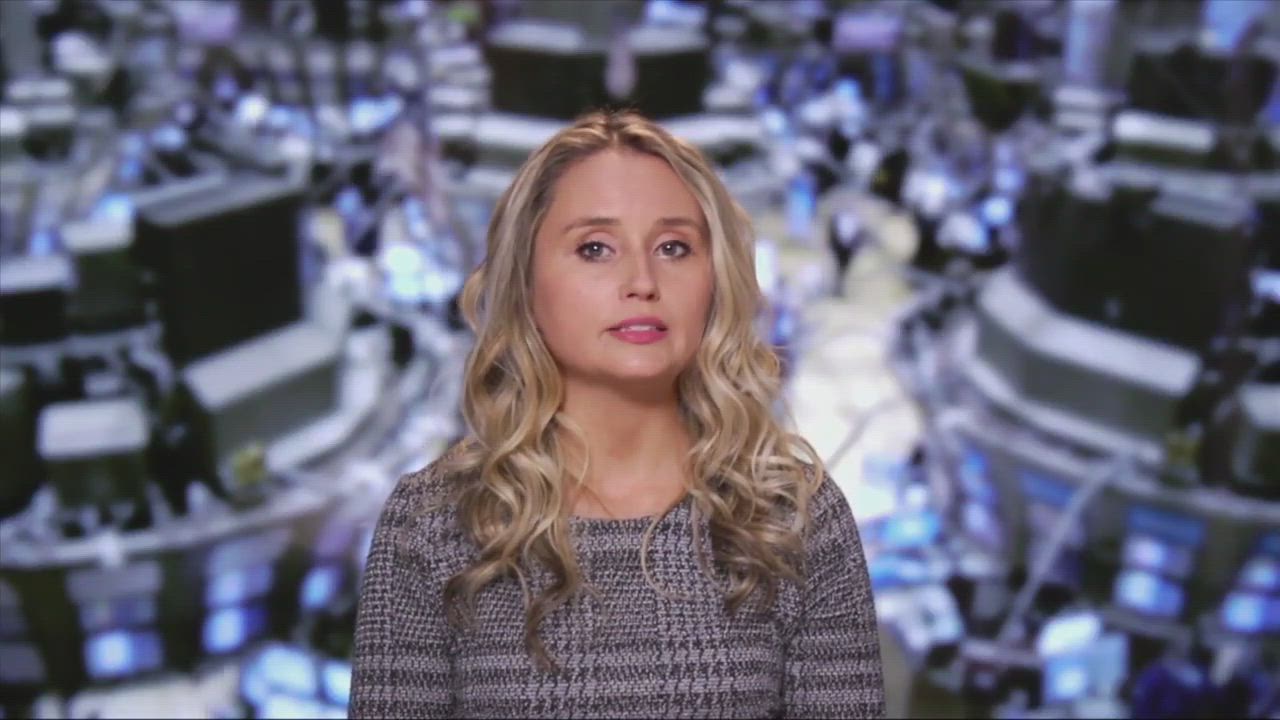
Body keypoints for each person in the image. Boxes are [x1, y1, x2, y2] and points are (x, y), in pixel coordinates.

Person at [349, 109, 885, 719]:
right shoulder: (431, 523)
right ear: (525, 282)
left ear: (715, 280)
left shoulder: (795, 519)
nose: (642, 281)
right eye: (595, 248)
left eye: (674, 248)